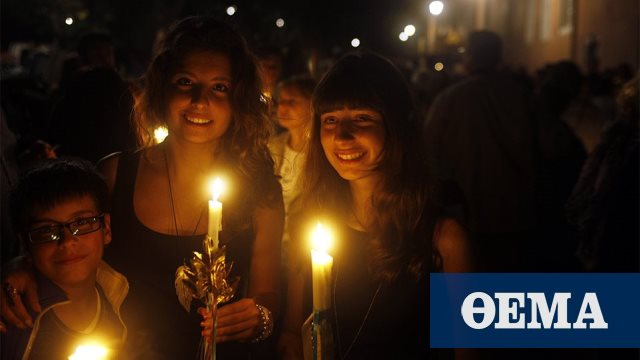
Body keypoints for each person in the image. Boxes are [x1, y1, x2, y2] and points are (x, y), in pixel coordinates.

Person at [2, 16, 284, 359]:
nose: (199, 100)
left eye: (219, 87)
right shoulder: (118, 173)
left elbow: (268, 293)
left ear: (238, 98)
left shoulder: (260, 188)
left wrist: (260, 318)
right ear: (162, 88)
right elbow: (71, 242)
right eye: (185, 82)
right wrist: (23, 266)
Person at [278, 52, 473, 360]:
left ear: (397, 126)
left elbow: (467, 350)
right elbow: (292, 330)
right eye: (330, 120)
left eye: (362, 118)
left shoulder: (443, 239)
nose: (342, 136)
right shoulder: (312, 222)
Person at [423, 30, 536, 271]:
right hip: (516, 212)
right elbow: (553, 147)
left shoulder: (450, 99)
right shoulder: (522, 96)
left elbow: (426, 150)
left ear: (471, 56)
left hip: (468, 213)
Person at [1, 159, 128, 359]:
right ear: (25, 243)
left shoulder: (124, 300)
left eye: (81, 222)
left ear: (107, 228)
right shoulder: (12, 323)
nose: (67, 241)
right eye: (46, 230)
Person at [268, 74, 316, 269]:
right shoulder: (272, 147)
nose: (282, 108)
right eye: (281, 101)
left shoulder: (322, 154)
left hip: (302, 256)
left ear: (312, 105)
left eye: (292, 101)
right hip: (272, 250)